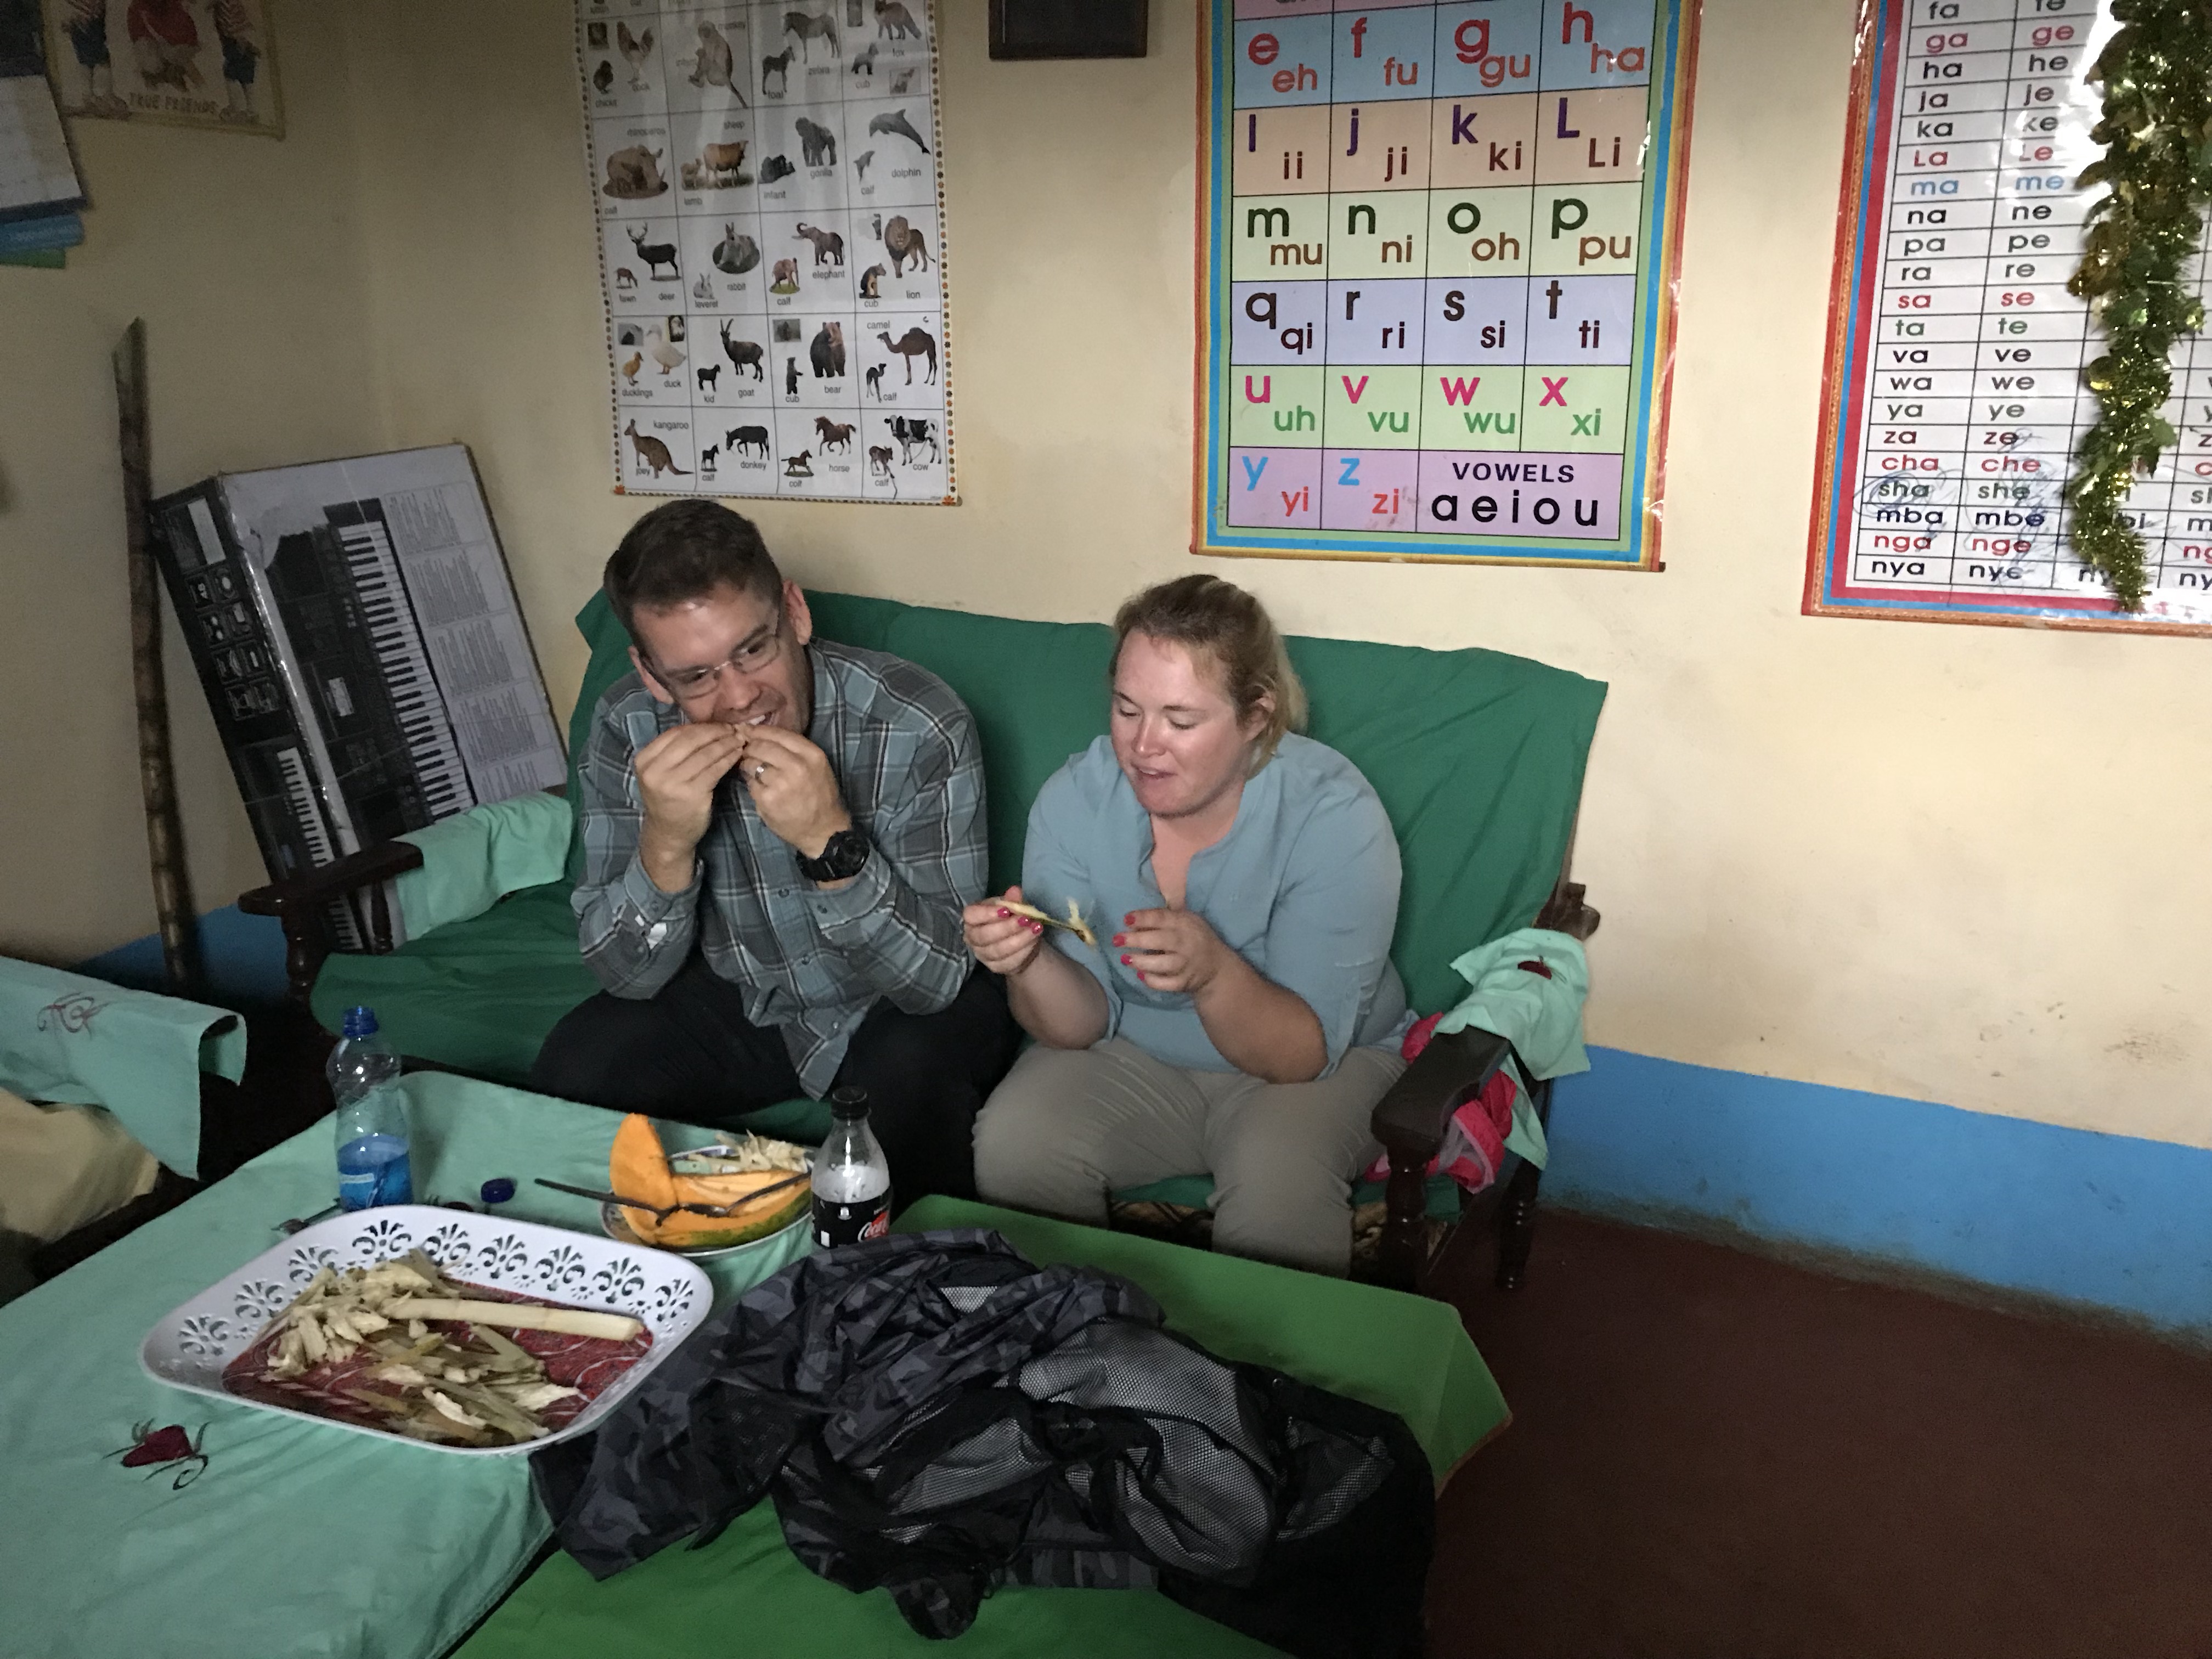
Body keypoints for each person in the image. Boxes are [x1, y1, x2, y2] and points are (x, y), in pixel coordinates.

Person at [531, 501, 1019, 1202]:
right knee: (580, 1063)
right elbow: (624, 976)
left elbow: (937, 980)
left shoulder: (917, 721)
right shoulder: (626, 727)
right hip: (741, 991)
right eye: (696, 677)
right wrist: (666, 843)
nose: (740, 698)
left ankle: (902, 1267)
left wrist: (829, 844)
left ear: (795, 613)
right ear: (651, 674)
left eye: (754, 650)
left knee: (910, 1075)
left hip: (896, 999)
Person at [966, 575, 1412, 1275]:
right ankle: (1066, 1331)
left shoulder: (1333, 813)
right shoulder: (1077, 800)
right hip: (1137, 1053)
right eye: (1127, 709)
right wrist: (1028, 963)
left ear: (1256, 716)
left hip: (1319, 1064)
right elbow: (1076, 1026)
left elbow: (1303, 1055)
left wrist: (1214, 973)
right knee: (1016, 1142)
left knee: (1277, 1186)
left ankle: (1265, 1351)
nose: (1144, 746)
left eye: (1180, 721)